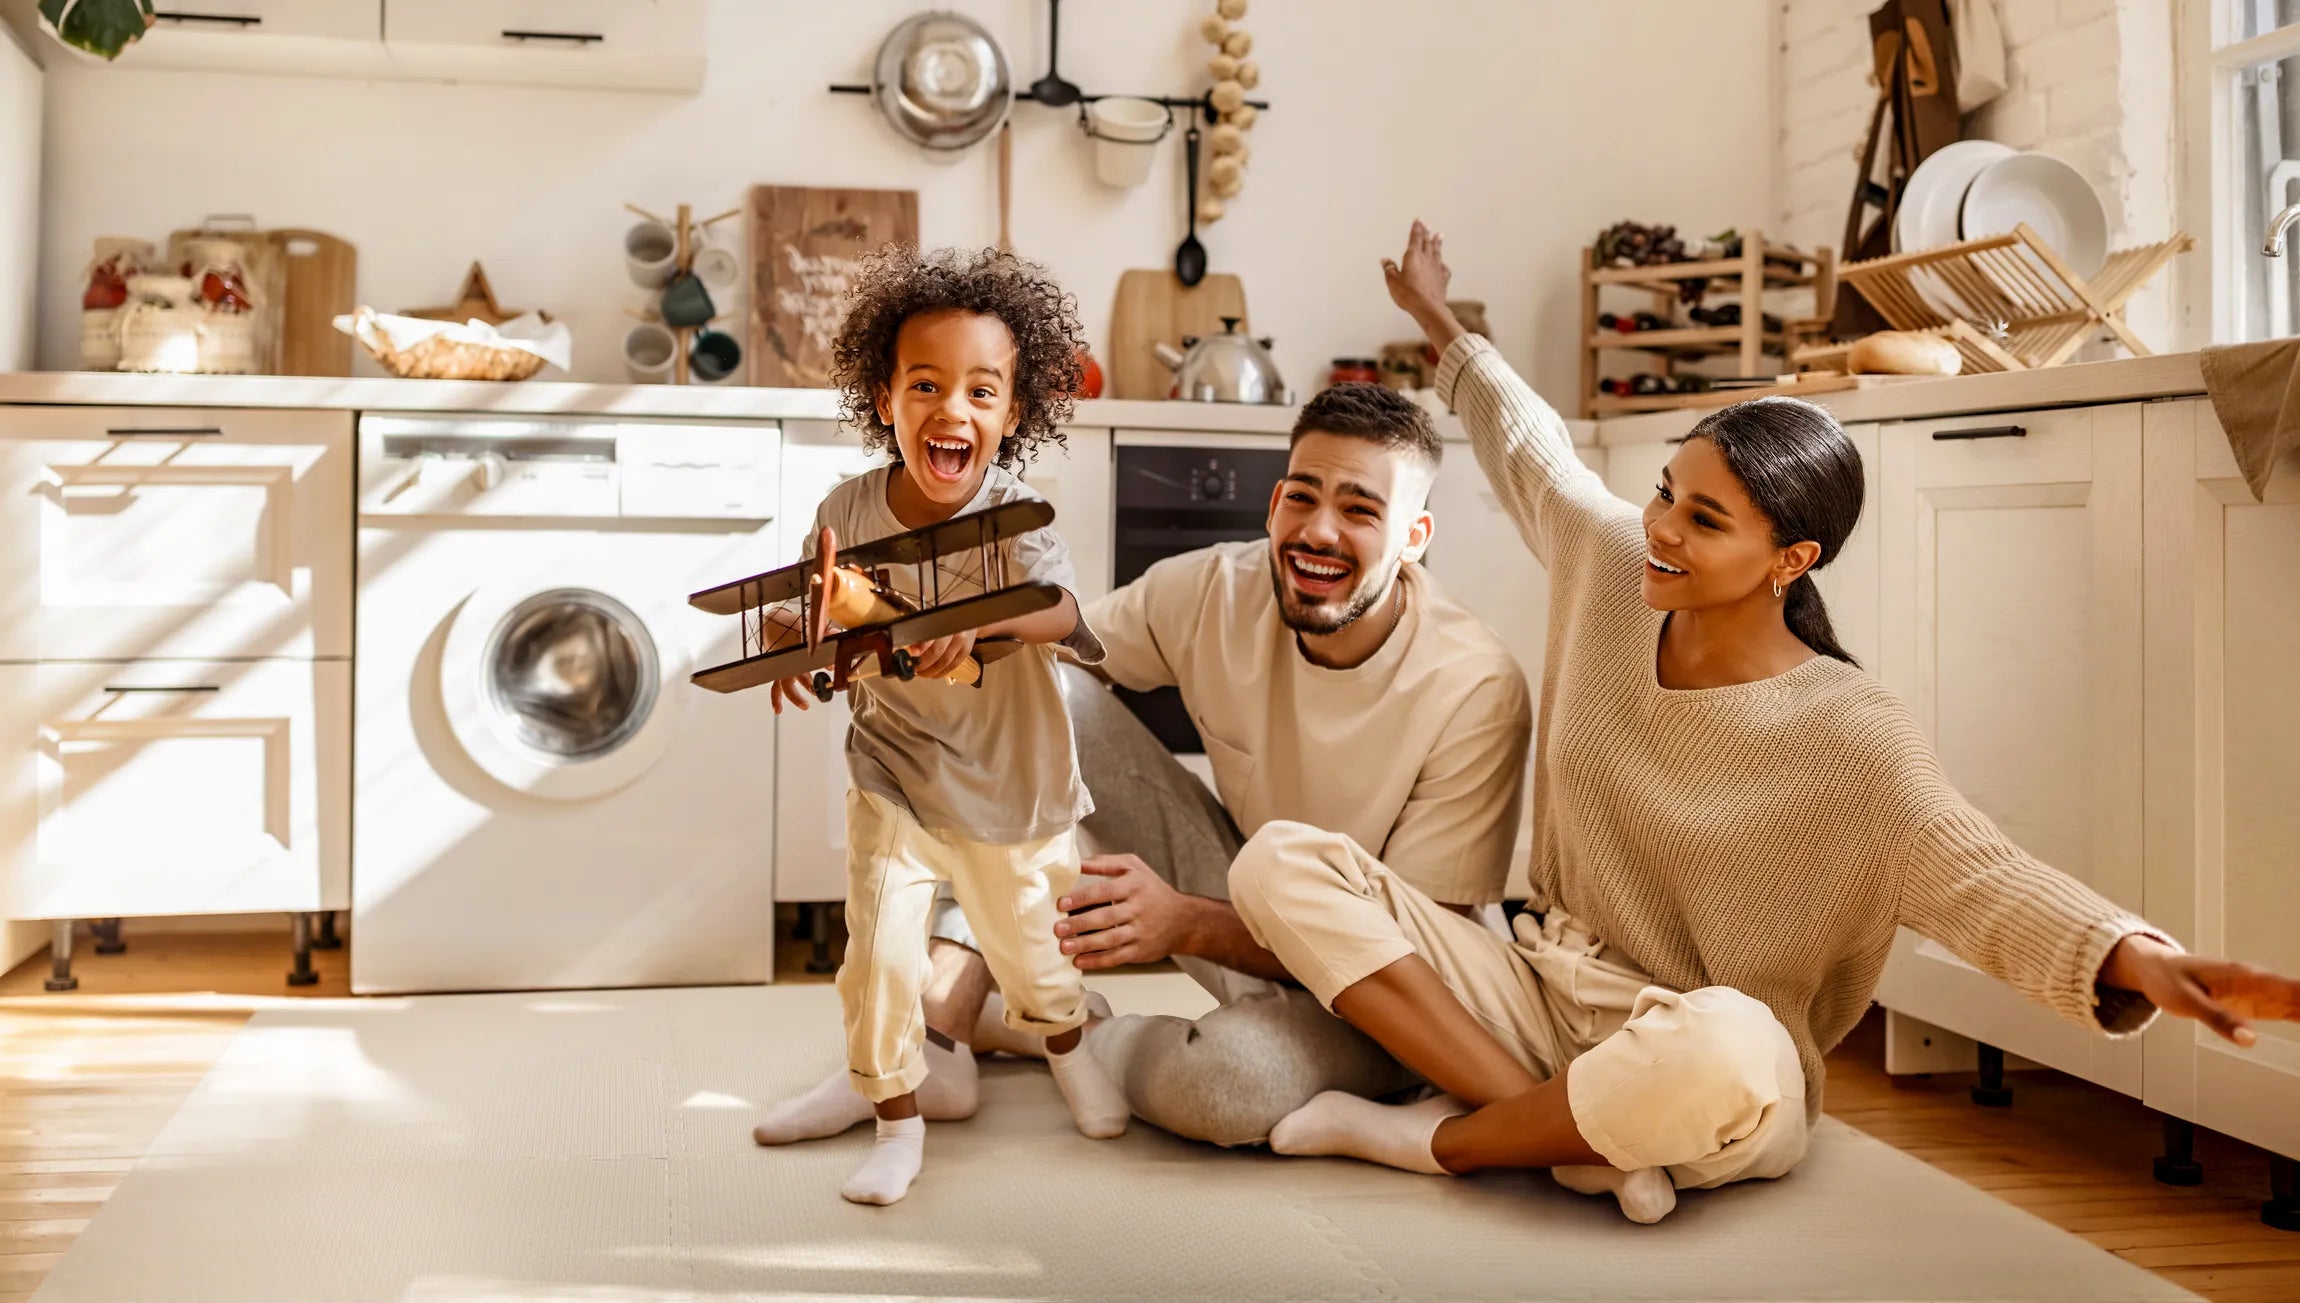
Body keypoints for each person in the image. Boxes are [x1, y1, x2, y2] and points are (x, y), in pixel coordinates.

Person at [1228, 221, 2300, 1224]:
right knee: (1279, 863)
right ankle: (1566, 1133)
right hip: (1539, 991)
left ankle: (1441, 1141)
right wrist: (1439, 321)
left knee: (1730, 1052)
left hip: (1700, 1046)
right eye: (1662, 495)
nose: (1658, 530)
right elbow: (1534, 450)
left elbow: (1981, 876)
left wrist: (2140, 957)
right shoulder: (1611, 566)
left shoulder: (1848, 730)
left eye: (1703, 520)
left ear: (1790, 561)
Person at [922, 380, 1537, 1146]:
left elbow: (1413, 965)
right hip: (1248, 901)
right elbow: (1047, 653)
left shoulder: (1474, 685)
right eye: (1303, 498)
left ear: (1415, 537)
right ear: (1274, 501)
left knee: (1224, 1084)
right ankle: (941, 1025)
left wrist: (1185, 923)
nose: (1318, 531)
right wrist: (916, 633)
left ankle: (1069, 1030)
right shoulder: (1216, 588)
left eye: (1360, 509)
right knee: (1037, 688)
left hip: (1398, 1000)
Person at [746, 245, 1128, 1206]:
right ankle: (893, 1117)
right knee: (877, 953)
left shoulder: (1015, 515)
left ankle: (1069, 1045)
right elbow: (825, 611)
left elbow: (1066, 617)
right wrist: (800, 636)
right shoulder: (847, 508)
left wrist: (983, 627)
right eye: (926, 385)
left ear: (1011, 413)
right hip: (896, 767)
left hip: (1013, 780)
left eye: (980, 391)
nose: (952, 409)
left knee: (1035, 958)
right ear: (886, 400)